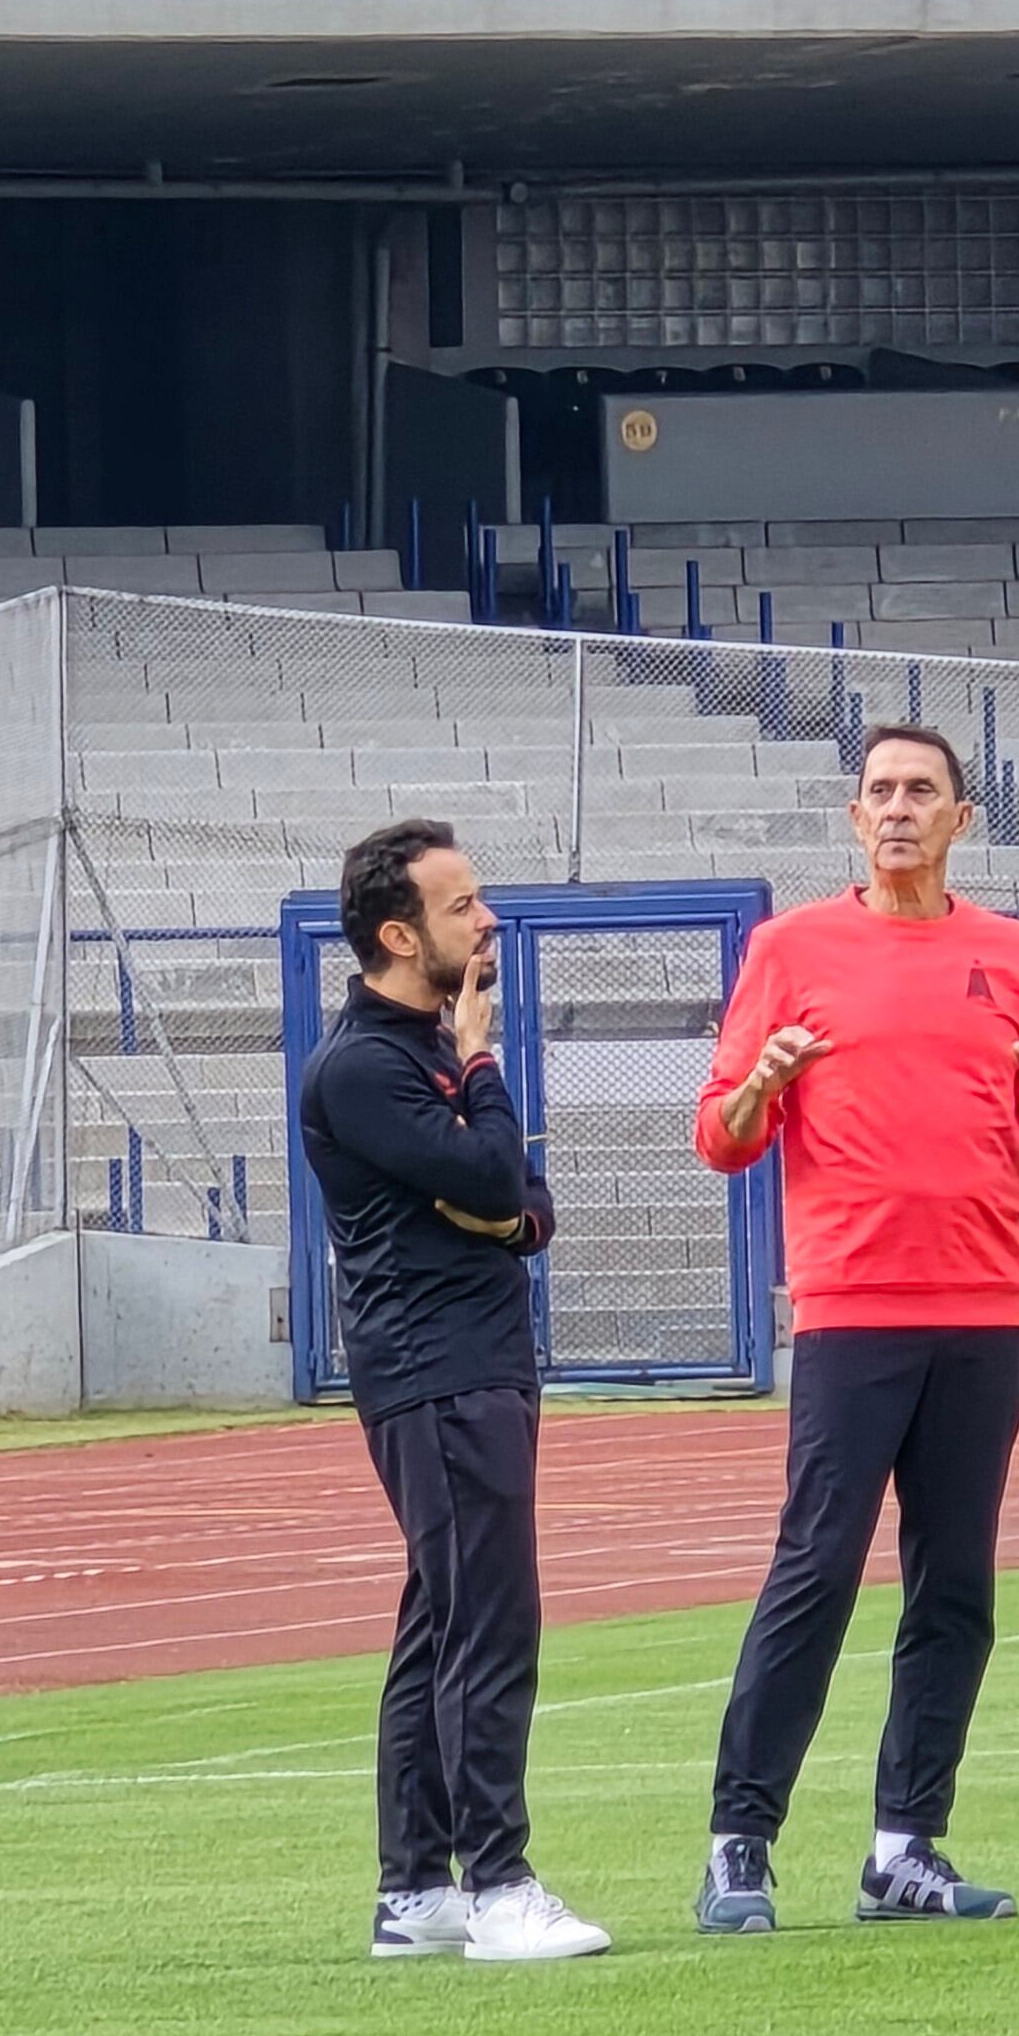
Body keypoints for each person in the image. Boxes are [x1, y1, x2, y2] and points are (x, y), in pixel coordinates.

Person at [687, 722, 1019, 1932]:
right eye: (879, 790)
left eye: (922, 790)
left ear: (961, 818)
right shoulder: (790, 950)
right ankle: (739, 1844)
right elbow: (721, 1138)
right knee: (815, 1569)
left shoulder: (1014, 957)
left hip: (985, 1306)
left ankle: (904, 1847)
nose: (899, 809)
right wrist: (762, 1085)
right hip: (853, 1307)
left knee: (954, 1583)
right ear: (854, 816)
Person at [297, 818, 610, 1964]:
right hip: (436, 1372)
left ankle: (415, 1891)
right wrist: (480, 1072)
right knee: (486, 1620)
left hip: (474, 1362)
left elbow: (523, 1205)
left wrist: (500, 1200)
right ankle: (498, 1887)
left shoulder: (426, 1051)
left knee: (441, 1620)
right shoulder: (367, 1066)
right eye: (461, 905)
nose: (487, 921)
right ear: (398, 935)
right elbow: (490, 1174)